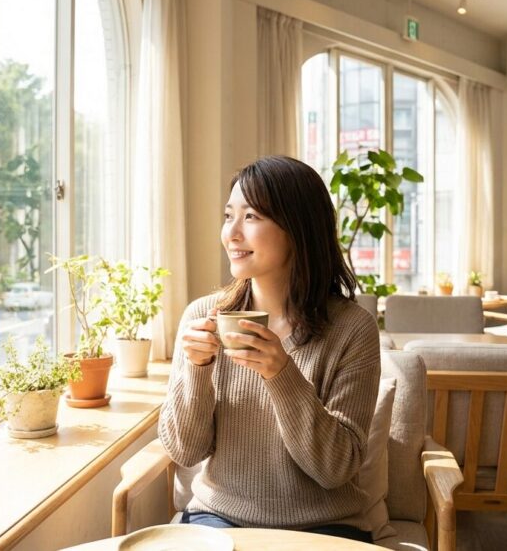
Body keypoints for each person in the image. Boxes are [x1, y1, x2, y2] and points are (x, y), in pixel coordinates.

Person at [159, 156, 380, 543]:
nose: (231, 234)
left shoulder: (352, 329)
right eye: (229, 216)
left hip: (325, 528)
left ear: (298, 228)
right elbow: (184, 450)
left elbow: (335, 468)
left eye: (252, 217)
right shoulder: (202, 318)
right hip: (219, 519)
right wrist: (197, 370)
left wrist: (283, 375)